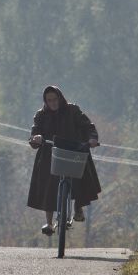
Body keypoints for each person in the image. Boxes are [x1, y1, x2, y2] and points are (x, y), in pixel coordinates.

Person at [27, 84, 101, 236]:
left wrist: (92, 138)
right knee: (48, 184)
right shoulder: (41, 115)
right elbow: (35, 132)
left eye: (55, 99)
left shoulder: (73, 111)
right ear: (45, 102)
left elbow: (88, 126)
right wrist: (36, 138)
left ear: (60, 98)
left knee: (80, 174)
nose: (53, 103)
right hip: (50, 153)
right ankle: (49, 223)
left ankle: (78, 207)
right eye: (49, 100)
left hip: (73, 150)